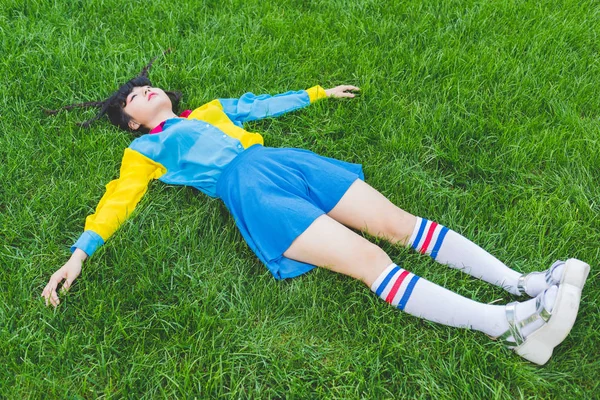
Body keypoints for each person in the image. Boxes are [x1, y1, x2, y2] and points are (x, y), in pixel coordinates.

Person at [41, 55, 590, 365]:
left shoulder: (208, 111)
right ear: (132, 122)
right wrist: (80, 254)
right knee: (372, 262)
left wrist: (317, 93)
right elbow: (118, 199)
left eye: (146, 85)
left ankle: (524, 284)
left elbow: (257, 105)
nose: (145, 90)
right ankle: (505, 327)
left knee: (401, 226)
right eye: (134, 97)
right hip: (251, 193)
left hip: (285, 161)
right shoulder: (143, 151)